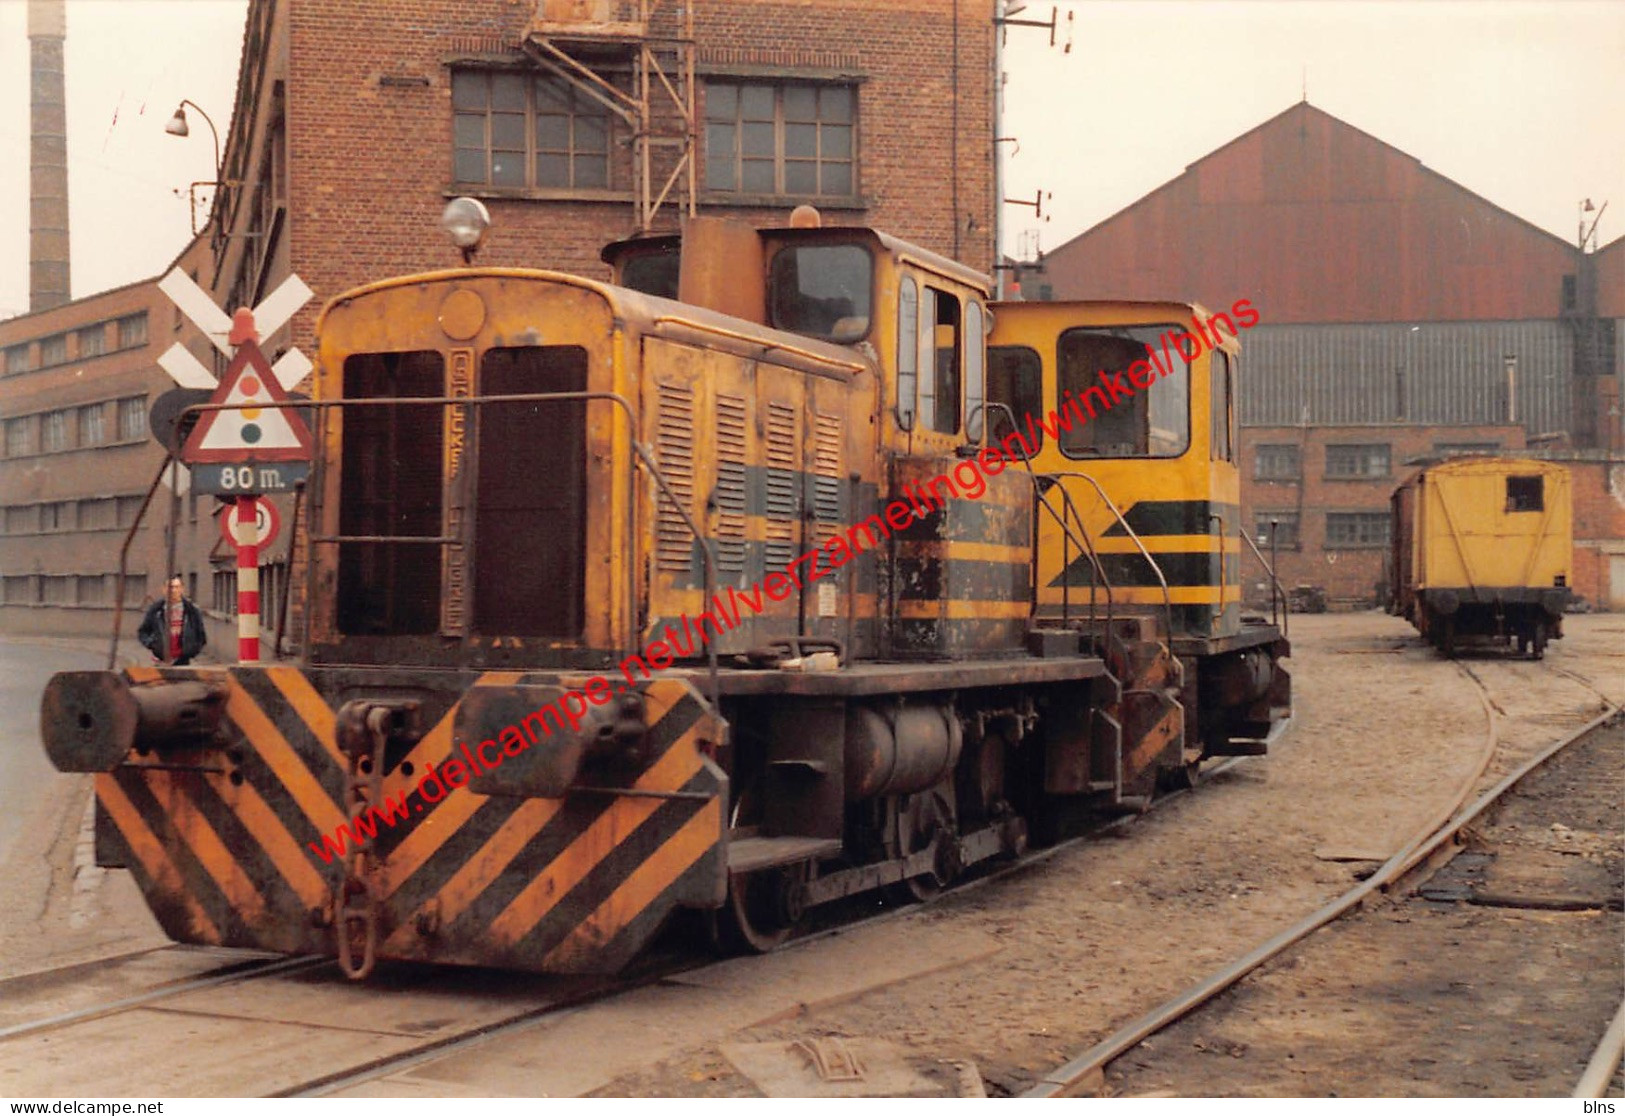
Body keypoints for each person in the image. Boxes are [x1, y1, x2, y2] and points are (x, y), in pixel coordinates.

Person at [138, 574, 207, 666]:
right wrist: (152, 644)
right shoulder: (155, 610)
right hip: (161, 661)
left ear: (182, 589)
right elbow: (143, 632)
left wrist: (192, 650)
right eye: (170, 587)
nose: (173, 590)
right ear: (164, 589)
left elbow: (201, 635)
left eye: (177, 587)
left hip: (183, 661)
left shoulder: (192, 611)